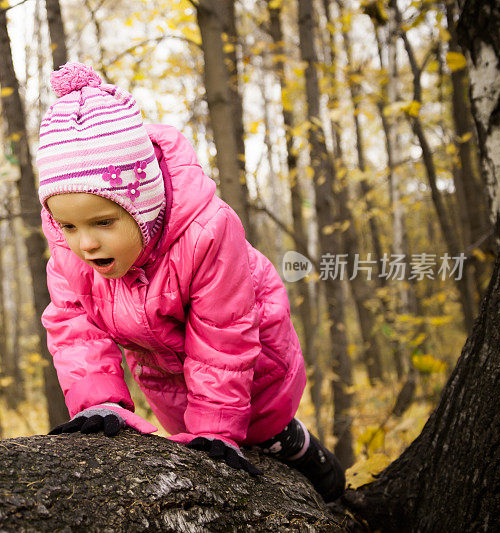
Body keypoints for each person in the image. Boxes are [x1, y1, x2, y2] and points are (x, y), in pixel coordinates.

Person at [37, 62, 345, 502]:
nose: (84, 243)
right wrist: (99, 405)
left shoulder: (207, 233)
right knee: (189, 432)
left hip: (252, 367)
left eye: (102, 221)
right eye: (67, 225)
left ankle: (293, 442)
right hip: (172, 381)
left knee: (261, 428)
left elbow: (225, 336)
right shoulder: (70, 257)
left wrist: (217, 429)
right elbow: (74, 331)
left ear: (142, 204)